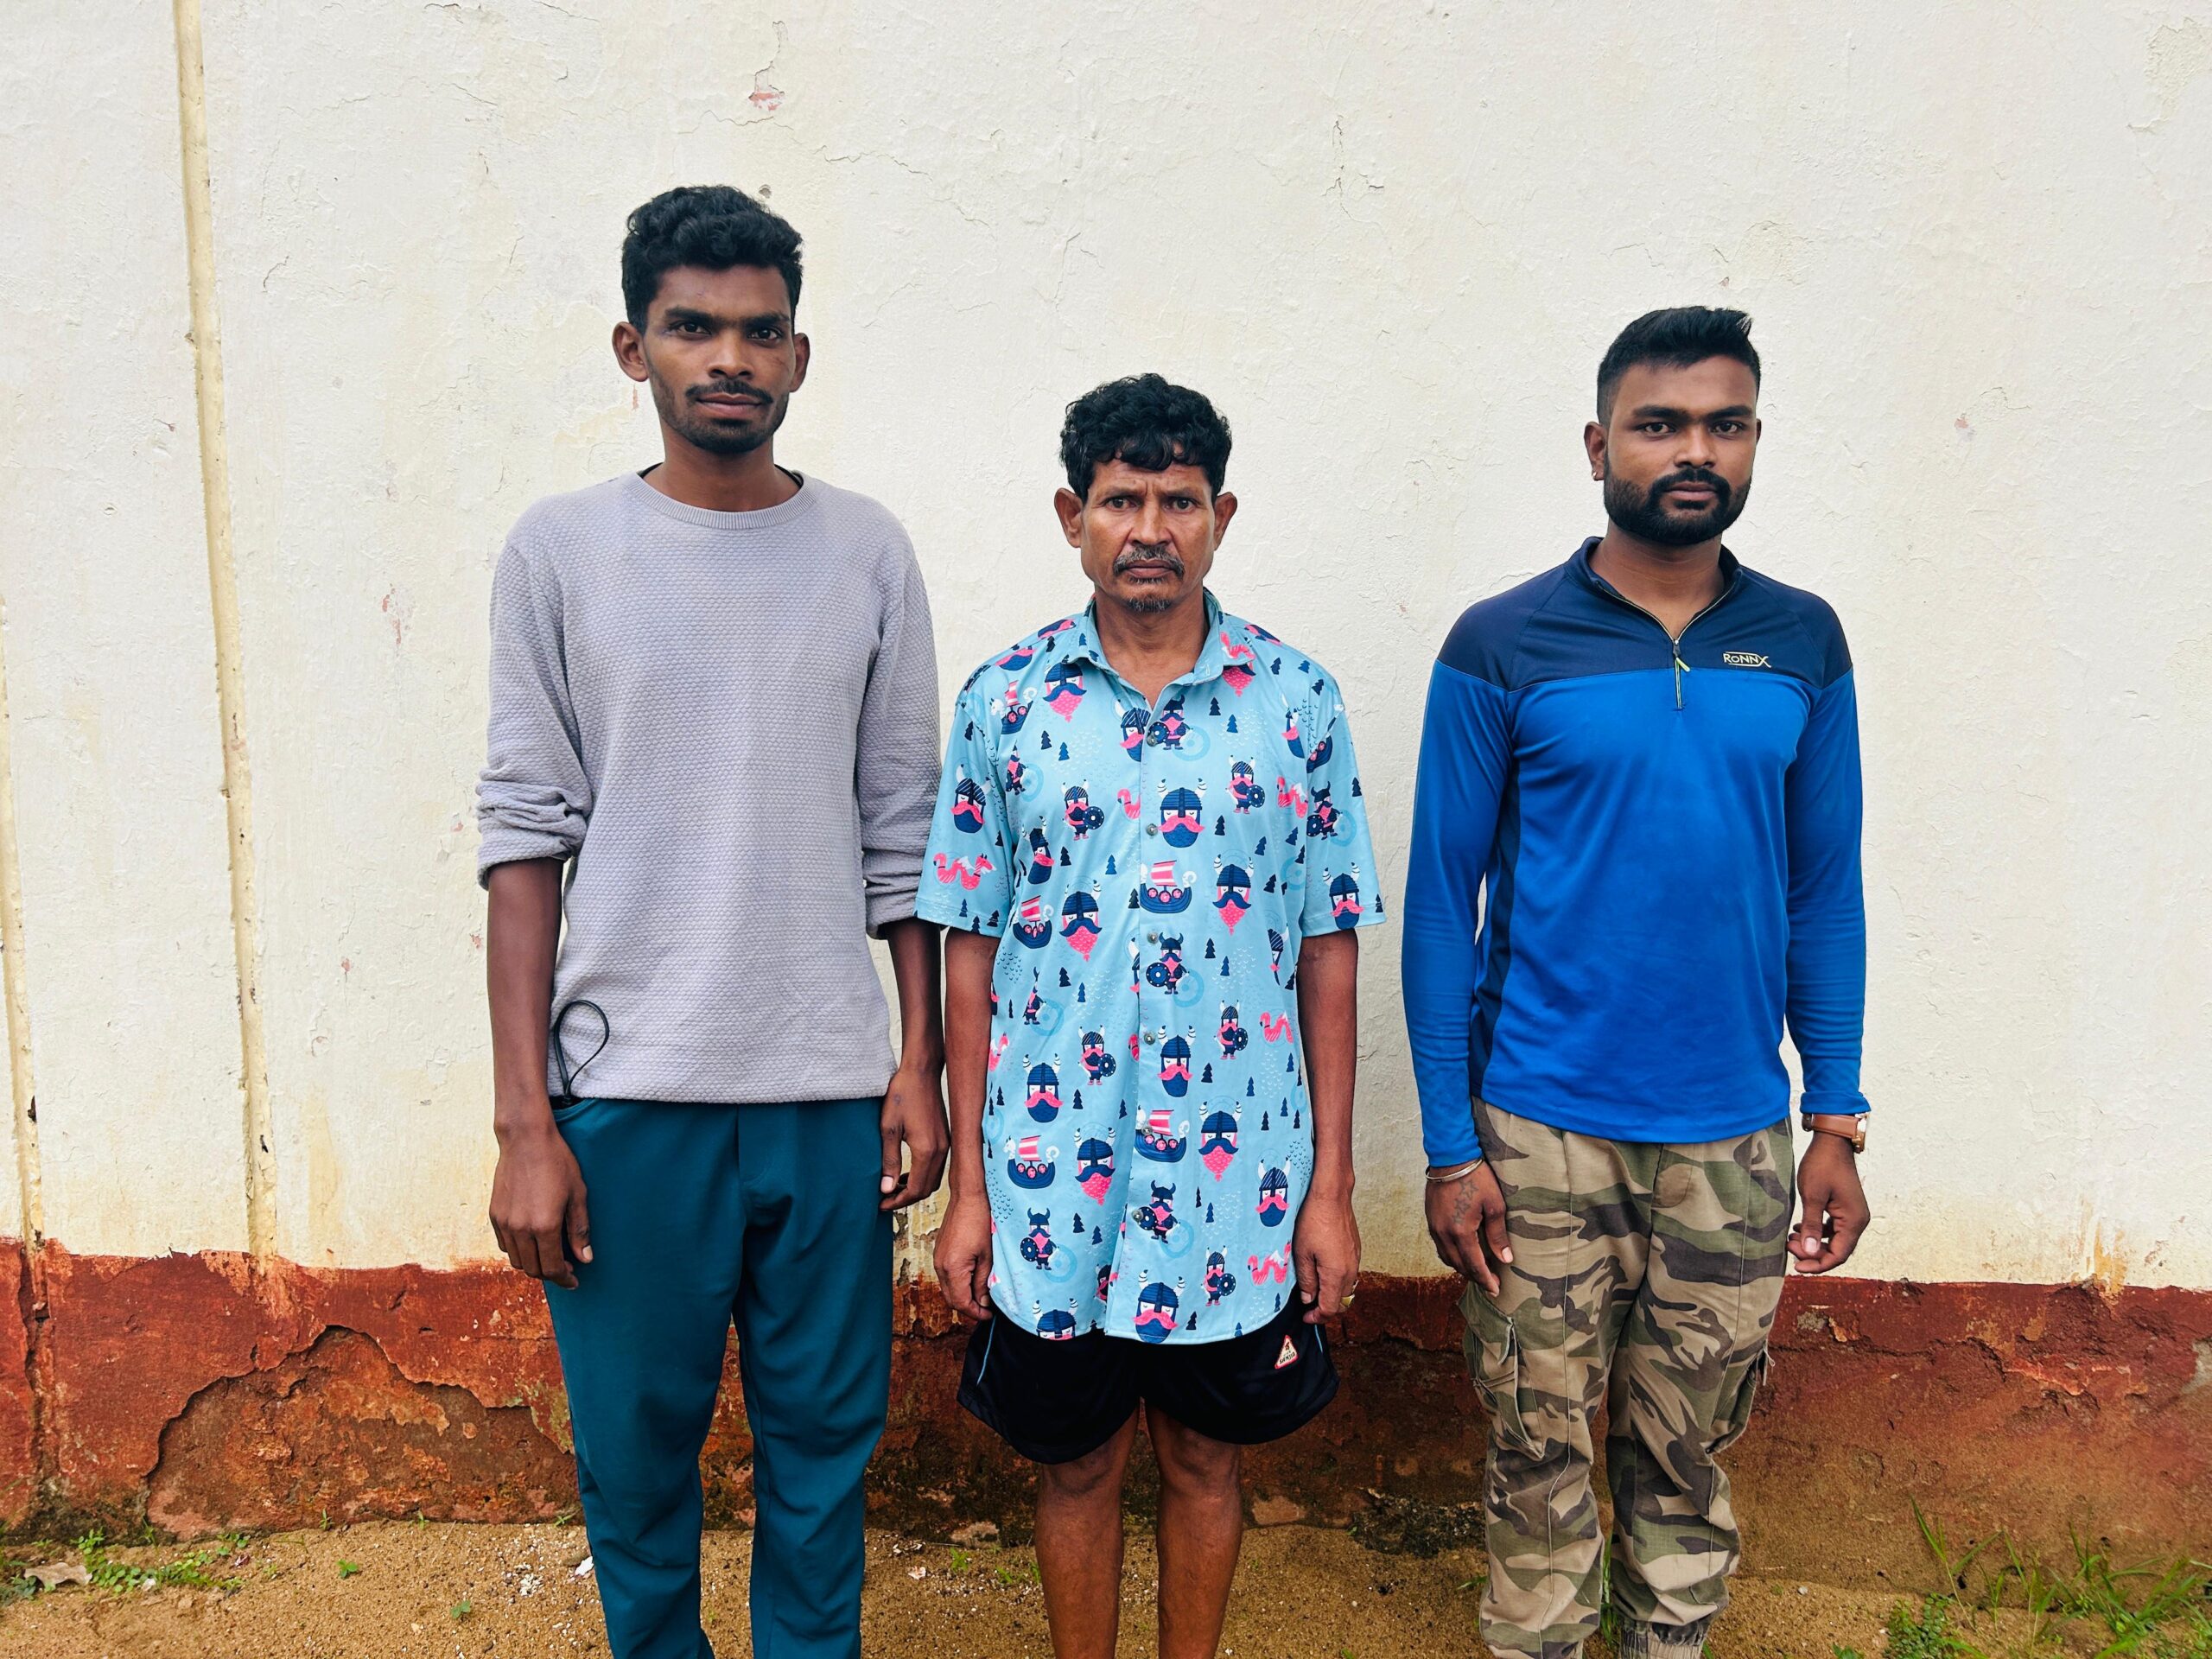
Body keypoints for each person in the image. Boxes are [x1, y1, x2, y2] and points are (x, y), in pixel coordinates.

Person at [476, 185, 945, 1659]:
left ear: (799, 353)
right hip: (627, 1101)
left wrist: (919, 1064)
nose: (730, 357)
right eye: (694, 327)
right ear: (635, 348)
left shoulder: (867, 551)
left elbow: (907, 838)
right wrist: (525, 1124)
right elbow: (522, 843)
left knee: (823, 1463)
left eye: (760, 330)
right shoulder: (560, 553)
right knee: (634, 1473)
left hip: (825, 1095)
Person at [1401, 307, 1872, 1659]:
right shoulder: (1503, 643)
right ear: (1599, 444)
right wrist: (1450, 1147)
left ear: (1756, 441)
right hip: (1541, 1130)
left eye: (1726, 424)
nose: (1694, 451)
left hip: (1734, 1137)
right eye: (1660, 424)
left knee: (1688, 1452)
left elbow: (1823, 890)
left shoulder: (1802, 641)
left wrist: (1835, 1117)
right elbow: (1439, 905)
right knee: (1536, 1454)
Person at [925, 376, 1383, 1659]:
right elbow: (968, 951)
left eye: (1179, 500)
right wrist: (971, 1190)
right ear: (1071, 515)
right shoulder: (1005, 702)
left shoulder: (1296, 702)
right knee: (1074, 1465)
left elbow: (1328, 950)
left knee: (1204, 1461)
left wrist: (1331, 1190)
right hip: (1052, 1174)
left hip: (1235, 1189)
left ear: (1222, 516)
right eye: (1121, 499)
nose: (1149, 529)